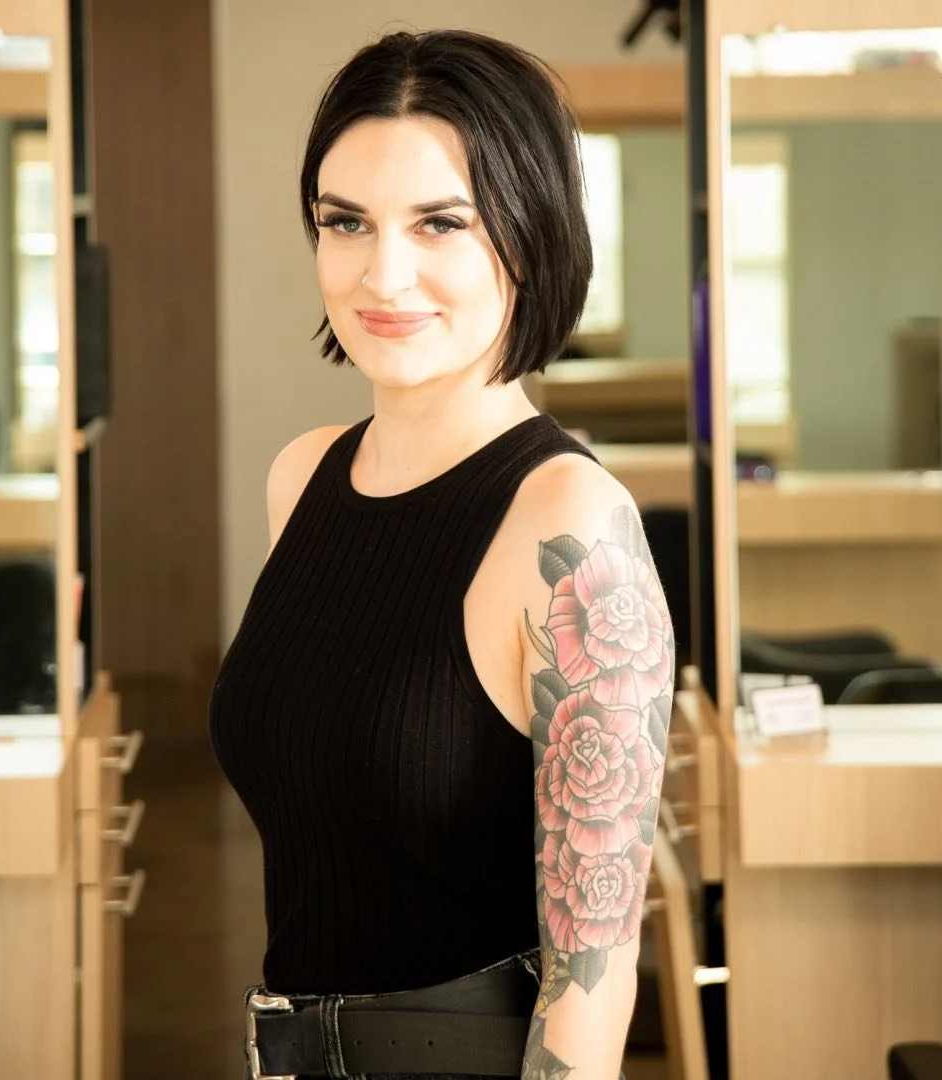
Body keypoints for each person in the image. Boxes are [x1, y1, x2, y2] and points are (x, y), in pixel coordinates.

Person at [210, 28, 674, 1080]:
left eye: (440, 223)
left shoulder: (569, 524)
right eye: (346, 222)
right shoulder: (303, 478)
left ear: (532, 233)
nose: (385, 272)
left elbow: (593, 975)